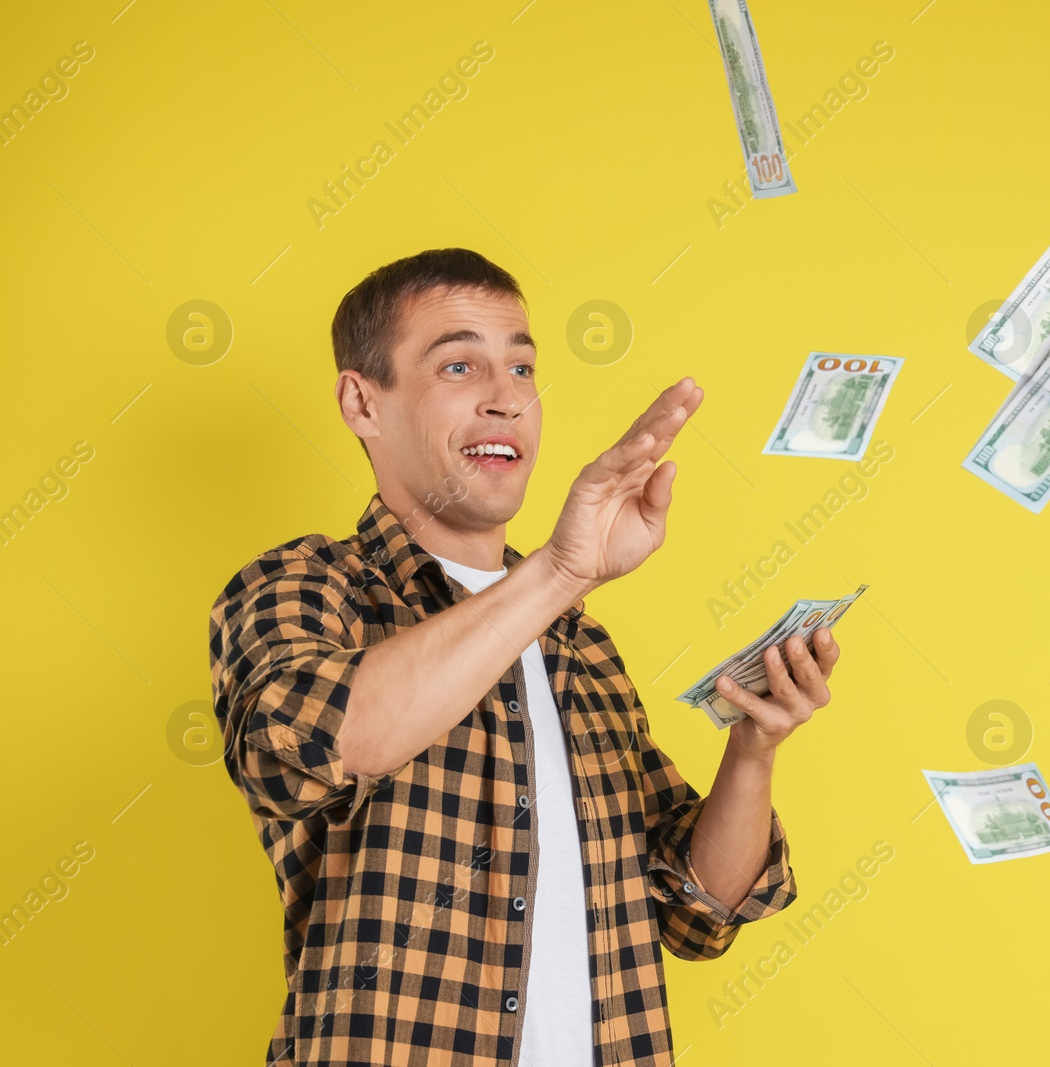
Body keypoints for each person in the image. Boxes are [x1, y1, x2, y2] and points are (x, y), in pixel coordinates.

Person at [208, 247, 839, 1066]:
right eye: (460, 365)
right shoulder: (307, 583)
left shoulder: (582, 644)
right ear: (363, 401)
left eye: (523, 367)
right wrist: (560, 571)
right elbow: (300, 748)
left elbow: (697, 909)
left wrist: (755, 748)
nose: (506, 398)